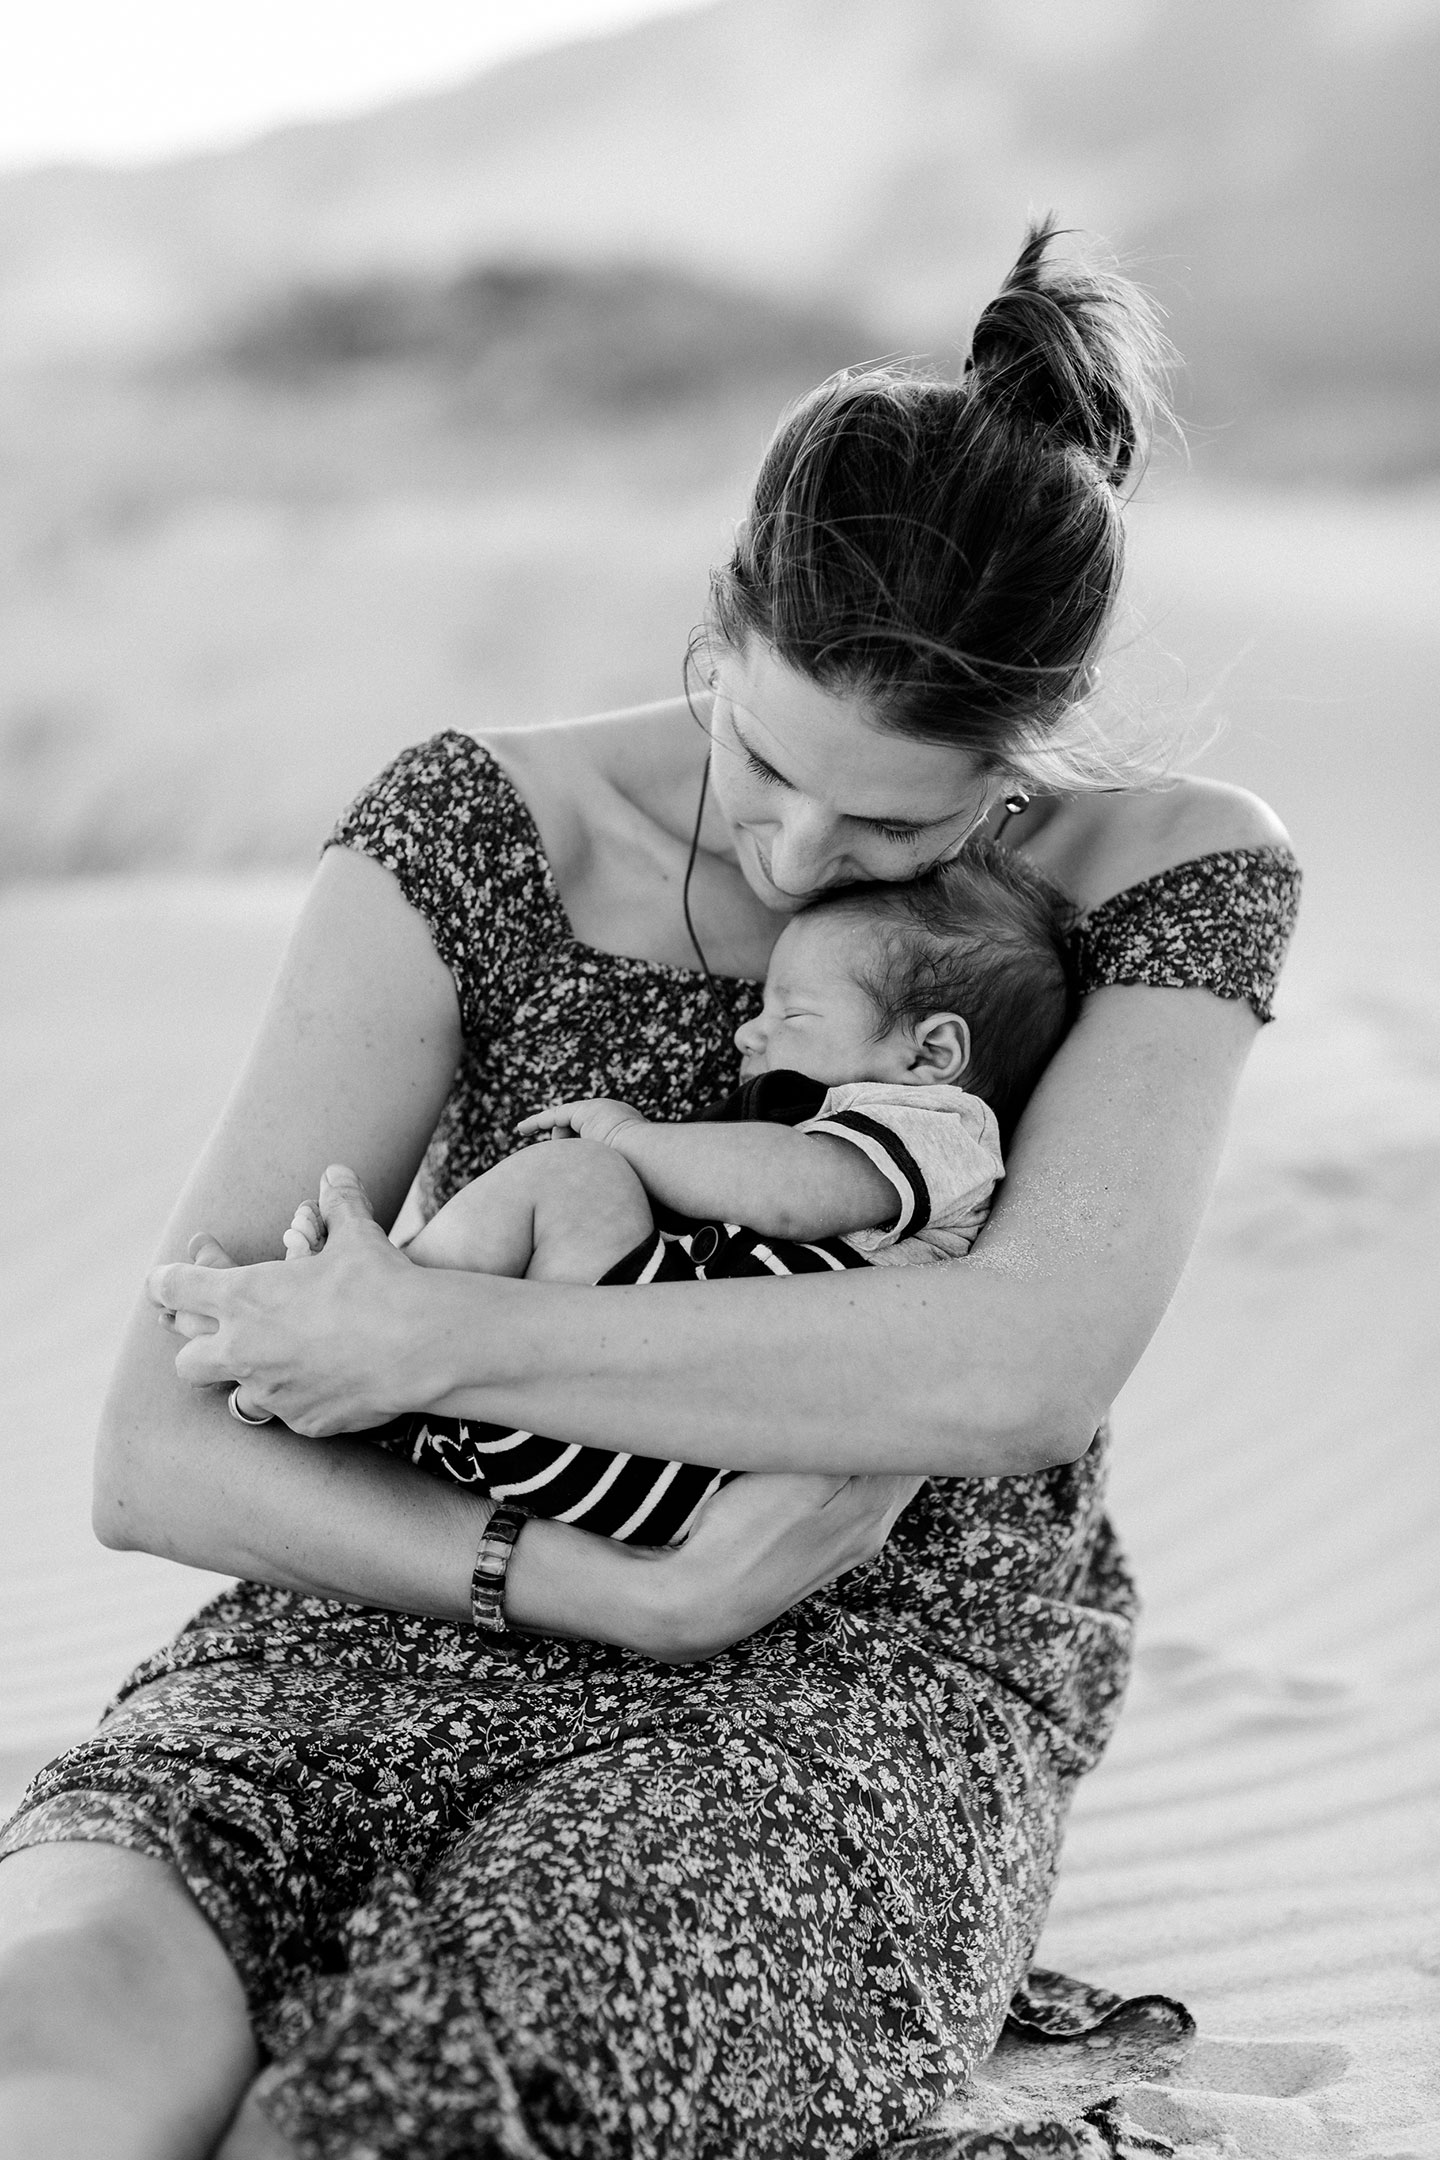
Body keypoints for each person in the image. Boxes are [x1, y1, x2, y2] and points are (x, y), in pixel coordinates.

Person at [0, 220, 1300, 2160]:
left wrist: (439, 1334)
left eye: (893, 819)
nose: (793, 849)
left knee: (421, 2109)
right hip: (374, 1607)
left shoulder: (1162, 880)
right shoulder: (469, 837)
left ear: (1025, 766)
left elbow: (1014, 1369)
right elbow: (153, 1456)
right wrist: (608, 1588)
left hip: (852, 1666)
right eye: (760, 755)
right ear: (718, 633)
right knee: (59, 2042)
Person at [310, 845, 1072, 1548]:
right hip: (607, 1425)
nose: (750, 1032)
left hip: (669, 1442)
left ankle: (368, 1306)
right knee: (572, 1191)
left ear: (932, 1052)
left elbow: (790, 1194)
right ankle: (370, 1329)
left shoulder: (945, 1131)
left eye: (791, 1013)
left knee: (576, 1180)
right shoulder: (847, 1119)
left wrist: (627, 1139)